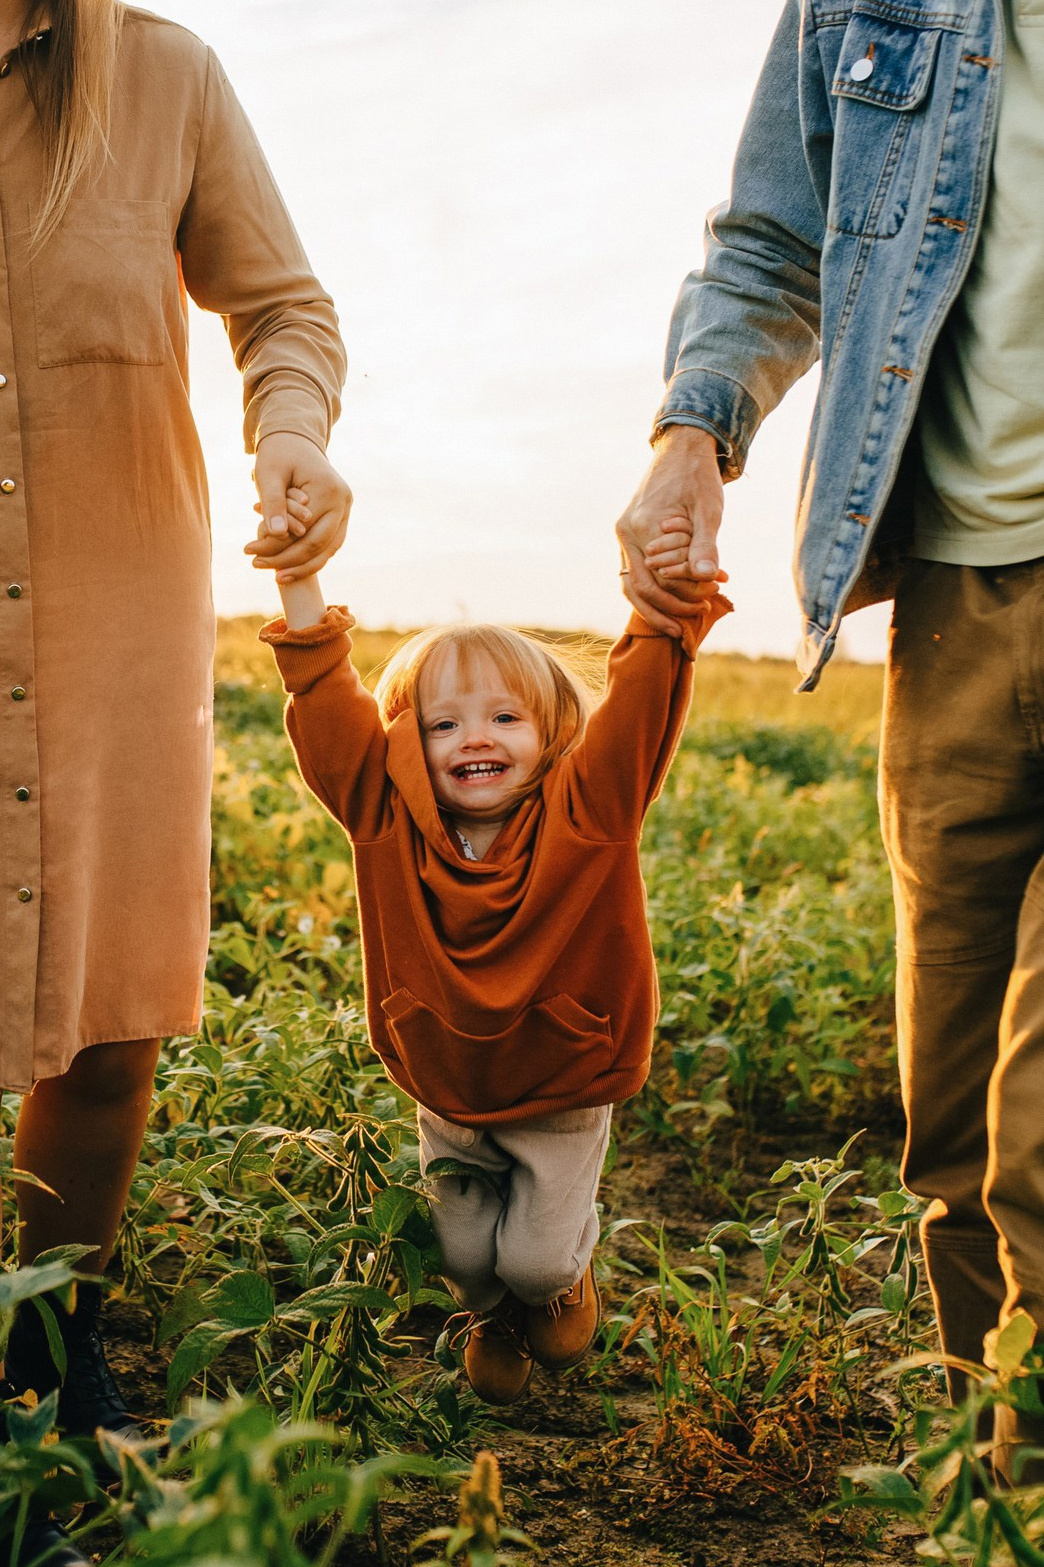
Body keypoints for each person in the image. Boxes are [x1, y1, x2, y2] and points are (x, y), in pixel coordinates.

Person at [615, 0, 1044, 1482]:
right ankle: (979, 1479)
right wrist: (693, 439)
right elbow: (773, 242)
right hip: (946, 592)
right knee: (955, 1121)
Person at [0, 3, 348, 1556]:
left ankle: (42, 1375)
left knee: (111, 1024)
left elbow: (285, 308)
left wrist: (295, 432)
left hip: (117, 608)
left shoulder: (168, 74)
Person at [258, 545, 729, 1404]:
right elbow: (327, 708)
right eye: (442, 724)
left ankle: (559, 1283)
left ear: (552, 735)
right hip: (450, 1085)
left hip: (563, 1082)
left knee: (534, 1256)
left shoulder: (592, 810)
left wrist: (663, 609)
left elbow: (640, 707)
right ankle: (492, 1314)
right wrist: (298, 583)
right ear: (406, 743)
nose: (474, 737)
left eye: (505, 718)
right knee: (463, 1259)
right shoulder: (384, 816)